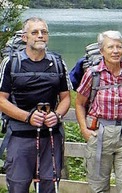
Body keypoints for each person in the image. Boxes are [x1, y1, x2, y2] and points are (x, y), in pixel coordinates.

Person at [0, 17, 70, 193]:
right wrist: (28, 117)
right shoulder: (11, 63)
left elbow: (66, 98)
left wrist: (57, 115)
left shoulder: (58, 63)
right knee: (18, 186)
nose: (40, 36)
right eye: (35, 32)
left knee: (49, 186)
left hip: (50, 136)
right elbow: (1, 99)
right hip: (19, 136)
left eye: (44, 32)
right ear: (25, 37)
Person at [75, 30, 122, 193]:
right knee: (98, 188)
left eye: (119, 47)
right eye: (110, 47)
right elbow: (79, 103)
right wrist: (84, 130)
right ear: (102, 51)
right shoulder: (93, 74)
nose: (115, 51)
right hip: (99, 133)